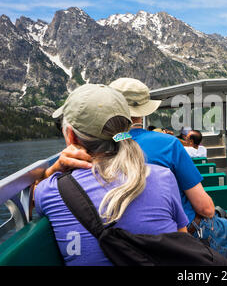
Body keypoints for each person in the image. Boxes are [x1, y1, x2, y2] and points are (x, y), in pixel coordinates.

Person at [34, 84, 189, 266]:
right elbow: (182, 244)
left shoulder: (50, 189)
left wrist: (53, 170)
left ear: (71, 137)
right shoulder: (163, 177)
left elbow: (33, 200)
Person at [108, 78, 227, 266]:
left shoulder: (99, 149)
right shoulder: (168, 144)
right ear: (143, 112)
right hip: (180, 235)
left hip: (124, 242)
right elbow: (205, 209)